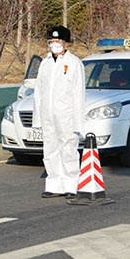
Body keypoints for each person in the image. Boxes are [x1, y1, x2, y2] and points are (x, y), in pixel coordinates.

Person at [32, 25, 86, 198]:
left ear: (66, 43)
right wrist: (38, 118)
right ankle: (54, 183)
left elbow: (78, 94)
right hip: (48, 115)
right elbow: (39, 92)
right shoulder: (45, 63)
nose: (54, 44)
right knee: (50, 149)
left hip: (66, 115)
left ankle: (71, 184)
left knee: (68, 149)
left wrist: (79, 123)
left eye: (58, 41)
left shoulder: (74, 63)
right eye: (51, 41)